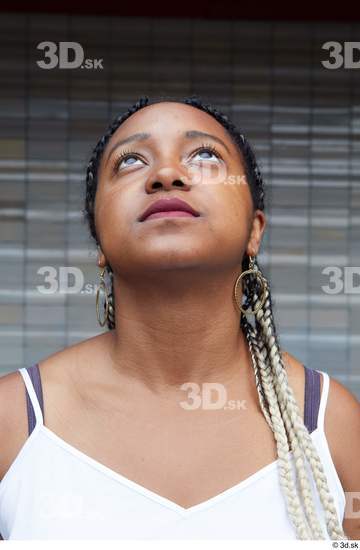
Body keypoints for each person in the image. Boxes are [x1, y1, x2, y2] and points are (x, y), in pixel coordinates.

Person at [0, 95, 359, 540]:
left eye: (205, 155)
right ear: (99, 244)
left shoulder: (331, 423)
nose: (166, 175)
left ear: (254, 230)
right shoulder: (13, 421)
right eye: (130, 161)